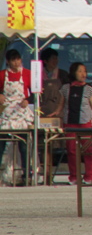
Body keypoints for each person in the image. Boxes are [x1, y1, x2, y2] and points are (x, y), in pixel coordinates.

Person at [57, 63, 92, 185]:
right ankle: (74, 176)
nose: (83, 74)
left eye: (84, 71)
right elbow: (61, 105)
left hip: (85, 123)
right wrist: (55, 115)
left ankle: (90, 176)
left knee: (88, 150)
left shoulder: (89, 88)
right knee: (71, 150)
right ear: (74, 73)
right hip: (69, 123)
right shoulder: (65, 88)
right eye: (80, 71)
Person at [0, 49, 35, 186]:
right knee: (1, 144)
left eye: (18, 59)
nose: (16, 62)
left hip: (21, 112)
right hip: (7, 113)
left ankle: (27, 174)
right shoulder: (2, 75)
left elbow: (35, 92)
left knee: (24, 145)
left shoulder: (27, 74)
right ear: (8, 61)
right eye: (13, 59)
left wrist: (28, 99)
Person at [39, 48, 70, 119]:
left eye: (56, 58)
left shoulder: (63, 74)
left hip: (58, 111)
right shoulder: (38, 75)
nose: (55, 61)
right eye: (53, 59)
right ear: (45, 61)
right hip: (42, 110)